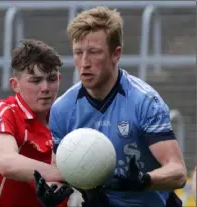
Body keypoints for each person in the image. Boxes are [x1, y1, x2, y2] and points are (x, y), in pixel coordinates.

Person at [49, 6, 187, 207]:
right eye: (78, 53)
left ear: (116, 54)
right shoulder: (63, 109)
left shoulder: (144, 101)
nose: (84, 62)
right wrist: (53, 188)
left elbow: (178, 172)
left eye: (94, 52)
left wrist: (143, 181)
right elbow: (59, 169)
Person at [0, 39, 73, 207]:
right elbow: (7, 163)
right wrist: (64, 174)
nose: (46, 88)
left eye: (52, 79)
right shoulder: (1, 111)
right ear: (15, 85)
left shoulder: (67, 119)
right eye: (36, 81)